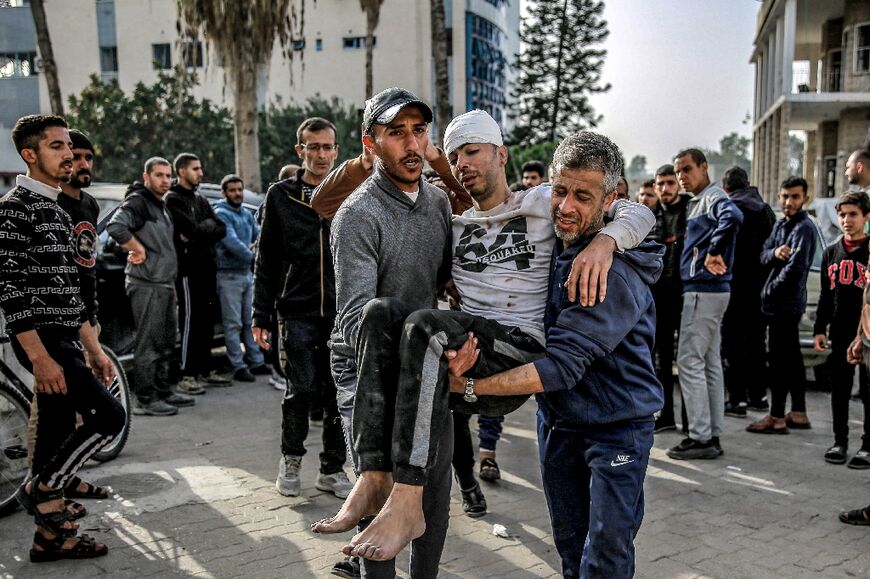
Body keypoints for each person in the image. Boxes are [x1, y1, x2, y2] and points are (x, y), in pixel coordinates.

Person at [311, 113, 653, 569]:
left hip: (538, 364)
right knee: (386, 316)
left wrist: (606, 241)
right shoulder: (451, 220)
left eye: (473, 151)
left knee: (606, 551)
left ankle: (405, 498)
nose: (463, 163)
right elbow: (325, 203)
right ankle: (378, 480)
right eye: (454, 156)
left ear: (501, 153)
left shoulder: (542, 205)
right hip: (500, 371)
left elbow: (634, 210)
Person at [440, 131, 663, 577]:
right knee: (568, 548)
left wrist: (470, 386)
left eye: (583, 196)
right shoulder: (553, 243)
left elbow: (561, 366)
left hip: (617, 430)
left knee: (604, 557)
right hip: (559, 425)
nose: (565, 207)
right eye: (560, 190)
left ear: (609, 199)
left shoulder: (609, 271)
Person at [0, 114, 125, 562]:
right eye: (56, 146)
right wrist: (40, 358)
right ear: (29, 155)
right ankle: (45, 489)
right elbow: (10, 290)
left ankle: (51, 539)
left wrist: (92, 348)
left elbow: (70, 292)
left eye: (67, 146)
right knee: (109, 420)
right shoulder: (12, 209)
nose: (68, 153)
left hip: (67, 339)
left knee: (53, 438)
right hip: (43, 344)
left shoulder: (56, 208)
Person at [253, 117, 352, 500]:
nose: (322, 154)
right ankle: (291, 460)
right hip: (295, 310)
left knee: (337, 393)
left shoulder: (349, 192)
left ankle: (332, 469)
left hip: (343, 313)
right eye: (314, 147)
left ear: (337, 151)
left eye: (328, 147)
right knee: (301, 389)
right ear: (301, 151)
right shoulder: (281, 195)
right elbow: (268, 261)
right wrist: (260, 315)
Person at [666, 148, 742, 460]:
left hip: (703, 290)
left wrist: (713, 251)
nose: (682, 176)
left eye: (687, 169)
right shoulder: (701, 200)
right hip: (711, 291)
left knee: (688, 361)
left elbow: (733, 216)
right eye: (678, 171)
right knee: (709, 361)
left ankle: (700, 436)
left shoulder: (712, 197)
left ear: (703, 167)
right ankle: (711, 433)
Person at [107, 157, 195, 415]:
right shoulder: (139, 201)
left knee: (167, 341)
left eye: (168, 176)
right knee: (150, 343)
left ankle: (163, 391)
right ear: (146, 177)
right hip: (146, 283)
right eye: (159, 175)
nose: (165, 180)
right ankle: (145, 399)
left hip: (164, 283)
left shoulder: (160, 204)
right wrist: (136, 248)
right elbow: (116, 226)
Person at [747, 177, 817, 435]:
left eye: (795, 197)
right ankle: (798, 412)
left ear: (804, 199)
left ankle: (776, 416)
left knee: (779, 361)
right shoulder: (781, 224)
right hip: (778, 304)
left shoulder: (804, 228)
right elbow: (763, 254)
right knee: (793, 358)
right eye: (785, 196)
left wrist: (769, 292)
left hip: (785, 305)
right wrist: (775, 253)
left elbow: (795, 270)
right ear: (778, 197)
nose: (789, 202)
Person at [165, 153, 228, 394]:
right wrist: (201, 230)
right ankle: (186, 373)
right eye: (195, 168)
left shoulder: (200, 199)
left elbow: (220, 228)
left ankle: (204, 370)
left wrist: (200, 231)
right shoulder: (173, 199)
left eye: (200, 168)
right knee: (190, 321)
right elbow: (188, 229)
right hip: (189, 272)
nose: (200, 173)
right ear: (181, 171)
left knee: (207, 321)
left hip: (208, 269)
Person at [814, 191, 870, 465]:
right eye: (842, 214)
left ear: (866, 217)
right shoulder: (831, 251)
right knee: (840, 388)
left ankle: (867, 445)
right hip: (839, 329)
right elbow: (826, 295)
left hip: (867, 332)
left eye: (853, 214)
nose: (847, 220)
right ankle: (840, 440)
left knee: (868, 389)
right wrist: (819, 328)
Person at [720, 167, 776, 417]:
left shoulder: (729, 210)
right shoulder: (766, 211)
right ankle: (759, 397)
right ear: (749, 184)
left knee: (733, 344)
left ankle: (737, 400)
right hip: (761, 288)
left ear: (726, 188)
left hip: (733, 287)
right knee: (757, 343)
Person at [213, 174, 268, 382]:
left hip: (246, 274)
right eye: (232, 190)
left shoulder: (245, 213)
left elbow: (260, 235)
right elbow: (233, 244)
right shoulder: (221, 214)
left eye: (239, 190)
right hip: (228, 276)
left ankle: (256, 361)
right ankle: (238, 365)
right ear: (224, 193)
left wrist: (253, 249)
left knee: (249, 321)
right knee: (233, 323)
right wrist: (253, 253)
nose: (237, 194)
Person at [651, 164, 690, 433]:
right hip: (660, 298)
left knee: (687, 360)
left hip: (686, 296)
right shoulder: (649, 217)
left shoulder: (691, 211)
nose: (665, 189)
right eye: (660, 184)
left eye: (669, 183)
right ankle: (666, 416)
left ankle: (691, 421)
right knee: (662, 360)